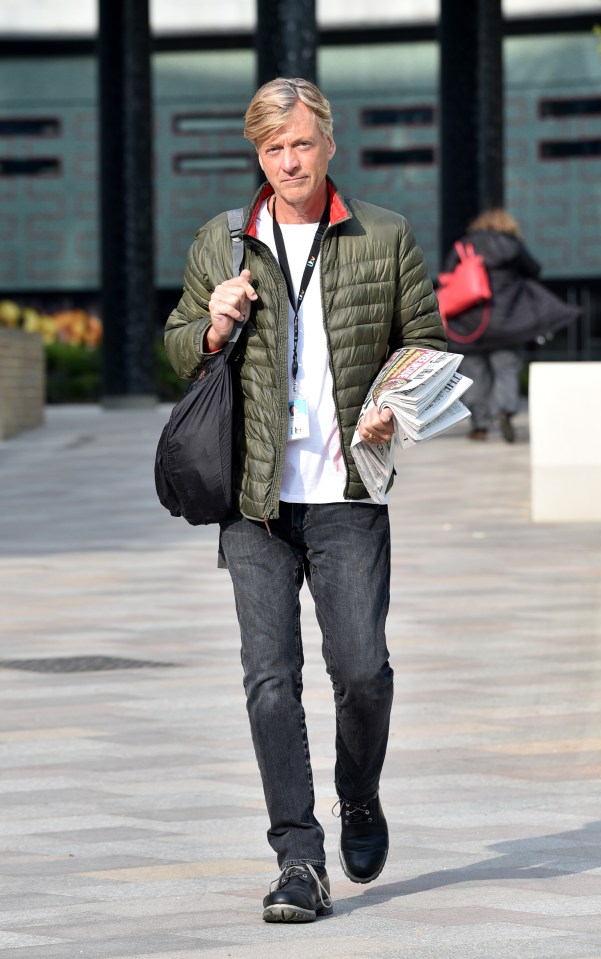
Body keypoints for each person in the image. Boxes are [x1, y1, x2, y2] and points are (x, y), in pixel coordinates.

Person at [164, 77, 446, 923]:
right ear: (260, 154)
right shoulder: (224, 243)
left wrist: (400, 401)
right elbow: (177, 347)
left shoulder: (384, 236)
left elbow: (426, 343)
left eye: (301, 144)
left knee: (363, 671)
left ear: (330, 145)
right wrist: (211, 323)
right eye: (273, 148)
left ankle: (359, 795)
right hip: (253, 500)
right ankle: (298, 857)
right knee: (270, 683)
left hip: (349, 489)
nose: (289, 160)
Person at [441, 209, 542, 443]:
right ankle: (505, 409)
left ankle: (480, 426)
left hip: (469, 323)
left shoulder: (463, 246)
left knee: (475, 374)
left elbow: (446, 277)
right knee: (506, 369)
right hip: (507, 321)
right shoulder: (514, 246)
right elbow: (535, 270)